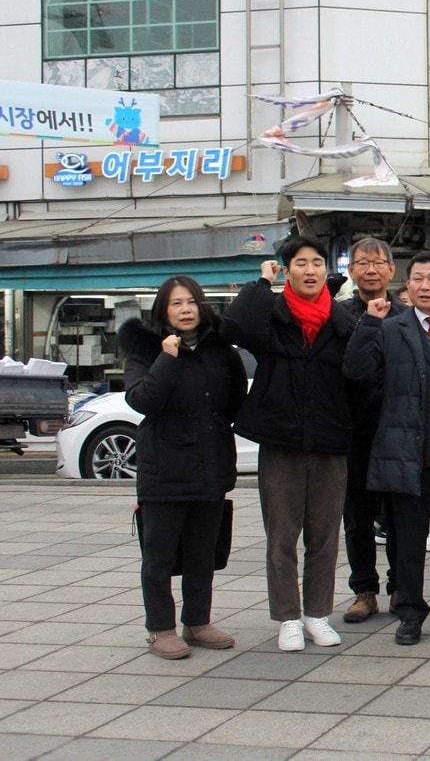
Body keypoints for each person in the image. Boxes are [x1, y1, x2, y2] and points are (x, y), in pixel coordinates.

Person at [343, 251, 430, 646]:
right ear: (406, 285)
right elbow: (355, 371)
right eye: (417, 279)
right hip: (407, 456)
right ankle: (409, 613)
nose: (425, 286)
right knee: (406, 541)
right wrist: (370, 322)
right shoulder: (389, 330)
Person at [222, 237, 356, 652]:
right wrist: (262, 283)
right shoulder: (272, 316)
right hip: (281, 442)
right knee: (281, 535)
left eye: (318, 262)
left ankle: (317, 614)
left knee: (324, 535)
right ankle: (287, 617)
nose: (311, 270)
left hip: (330, 442)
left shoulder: (343, 321)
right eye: (301, 263)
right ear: (288, 270)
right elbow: (235, 324)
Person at [121, 276, 246, 659]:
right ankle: (160, 629)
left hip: (210, 464)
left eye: (191, 302)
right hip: (165, 469)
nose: (186, 309)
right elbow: (142, 400)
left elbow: (235, 398)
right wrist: (167, 358)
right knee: (158, 555)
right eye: (176, 304)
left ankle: (198, 621)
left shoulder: (220, 350)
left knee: (201, 552)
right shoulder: (146, 351)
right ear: (163, 311)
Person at [340, 239, 406, 624]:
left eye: (377, 262)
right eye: (361, 262)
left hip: (396, 429)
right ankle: (364, 590)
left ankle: (401, 587)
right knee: (357, 518)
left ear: (391, 270)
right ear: (350, 270)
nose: (370, 269)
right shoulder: (338, 315)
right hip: (353, 432)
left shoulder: (406, 315)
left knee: (400, 516)